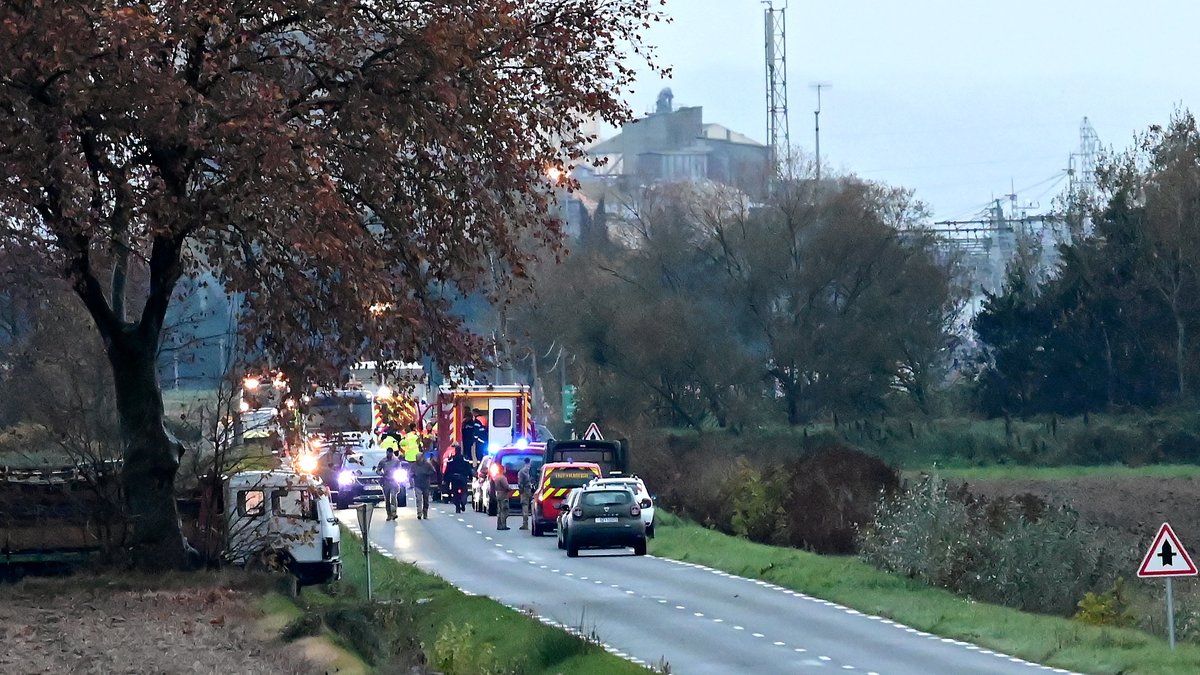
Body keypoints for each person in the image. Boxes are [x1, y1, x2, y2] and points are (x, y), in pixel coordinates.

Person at [374, 449, 404, 521]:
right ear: (386, 453)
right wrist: (381, 473)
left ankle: (394, 513)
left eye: (390, 453)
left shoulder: (396, 461)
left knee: (393, 496)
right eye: (388, 453)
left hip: (394, 481)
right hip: (386, 481)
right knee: (387, 499)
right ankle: (389, 514)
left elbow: (399, 469)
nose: (389, 454)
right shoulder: (383, 461)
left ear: (392, 453)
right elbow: (378, 470)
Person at [444, 444, 473, 514]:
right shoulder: (464, 459)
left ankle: (457, 505)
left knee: (454, 492)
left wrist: (445, 478)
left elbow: (447, 469)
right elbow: (468, 468)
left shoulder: (451, 459)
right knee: (464, 491)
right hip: (463, 477)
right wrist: (470, 476)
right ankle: (463, 503)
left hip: (454, 478)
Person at [410, 452, 437, 520]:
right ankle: (419, 513)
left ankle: (425, 512)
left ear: (422, 458)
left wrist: (427, 473)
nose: (418, 459)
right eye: (417, 458)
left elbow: (433, 471)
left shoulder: (427, 464)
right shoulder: (414, 465)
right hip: (417, 484)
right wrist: (413, 475)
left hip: (425, 484)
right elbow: (410, 473)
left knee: (426, 499)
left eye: (419, 458)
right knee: (419, 499)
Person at [516, 457, 535, 530]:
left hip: (525, 490)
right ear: (530, 462)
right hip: (532, 489)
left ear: (524, 462)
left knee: (525, 505)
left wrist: (520, 490)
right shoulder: (532, 470)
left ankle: (525, 524)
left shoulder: (522, 471)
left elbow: (520, 482)